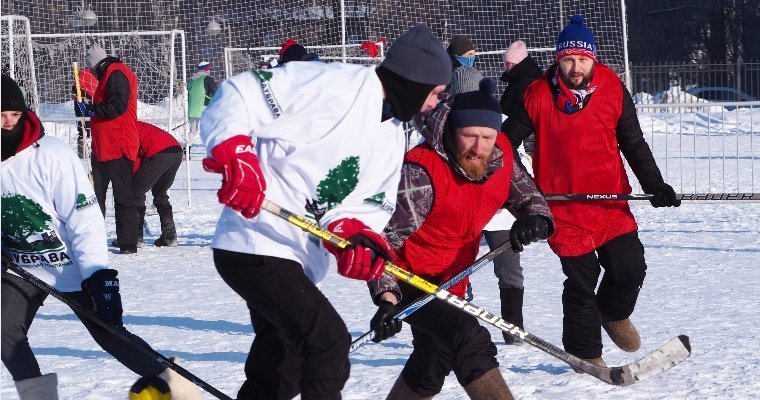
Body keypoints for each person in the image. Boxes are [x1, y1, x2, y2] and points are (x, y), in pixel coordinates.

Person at [200, 24, 452, 399]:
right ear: (414, 80)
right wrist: (236, 153)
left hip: (298, 257)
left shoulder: (392, 134)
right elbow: (240, 93)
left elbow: (364, 205)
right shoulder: (332, 82)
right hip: (255, 240)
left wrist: (358, 236)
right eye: (433, 94)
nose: (433, 104)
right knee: (328, 344)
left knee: (281, 368)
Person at [1, 74, 201, 400]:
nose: (9, 122)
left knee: (109, 335)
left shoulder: (51, 155)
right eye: (1, 115)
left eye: (15, 114)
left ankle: (179, 387)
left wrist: (99, 277)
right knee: (3, 329)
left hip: (73, 266)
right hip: (25, 266)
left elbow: (84, 219)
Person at [503, 15, 682, 368]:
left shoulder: (613, 87)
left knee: (630, 270)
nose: (576, 67)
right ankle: (585, 354)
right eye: (568, 59)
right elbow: (503, 146)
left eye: (583, 60)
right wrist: (529, 195)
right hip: (564, 210)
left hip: (609, 204)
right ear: (558, 59)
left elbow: (632, 141)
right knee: (581, 283)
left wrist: (655, 184)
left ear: (594, 59)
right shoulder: (537, 94)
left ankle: (614, 315)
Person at [368, 78, 554, 399]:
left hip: (452, 277)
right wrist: (387, 298)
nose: (478, 147)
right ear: (452, 131)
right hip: (408, 278)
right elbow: (382, 241)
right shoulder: (421, 174)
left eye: (487, 137)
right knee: (467, 338)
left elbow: (526, 193)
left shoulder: (500, 155)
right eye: (468, 135)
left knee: (432, 360)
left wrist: (536, 218)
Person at [78, 45, 140, 254]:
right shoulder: (109, 74)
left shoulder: (116, 73)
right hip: (104, 146)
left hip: (118, 145)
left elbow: (117, 106)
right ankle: (94, 239)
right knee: (96, 196)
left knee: (122, 196)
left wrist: (92, 109)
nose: (92, 73)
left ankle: (128, 242)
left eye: (91, 69)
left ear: (95, 65)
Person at [112, 121, 183, 248]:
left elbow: (134, 159)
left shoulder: (124, 132)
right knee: (160, 193)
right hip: (176, 151)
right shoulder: (134, 126)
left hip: (159, 151)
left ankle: (134, 238)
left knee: (135, 192)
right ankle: (169, 237)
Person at [187, 61, 217, 145]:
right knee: (212, 128)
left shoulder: (192, 80)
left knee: (192, 131)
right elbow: (216, 93)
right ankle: (213, 149)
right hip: (205, 108)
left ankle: (187, 147)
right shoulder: (208, 79)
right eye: (209, 68)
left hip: (192, 109)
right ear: (206, 69)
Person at [71, 66, 98, 159]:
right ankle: (83, 155)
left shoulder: (93, 73)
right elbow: (74, 88)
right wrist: (83, 97)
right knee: (84, 130)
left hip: (91, 103)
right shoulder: (85, 73)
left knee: (89, 130)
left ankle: (90, 154)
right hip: (84, 103)